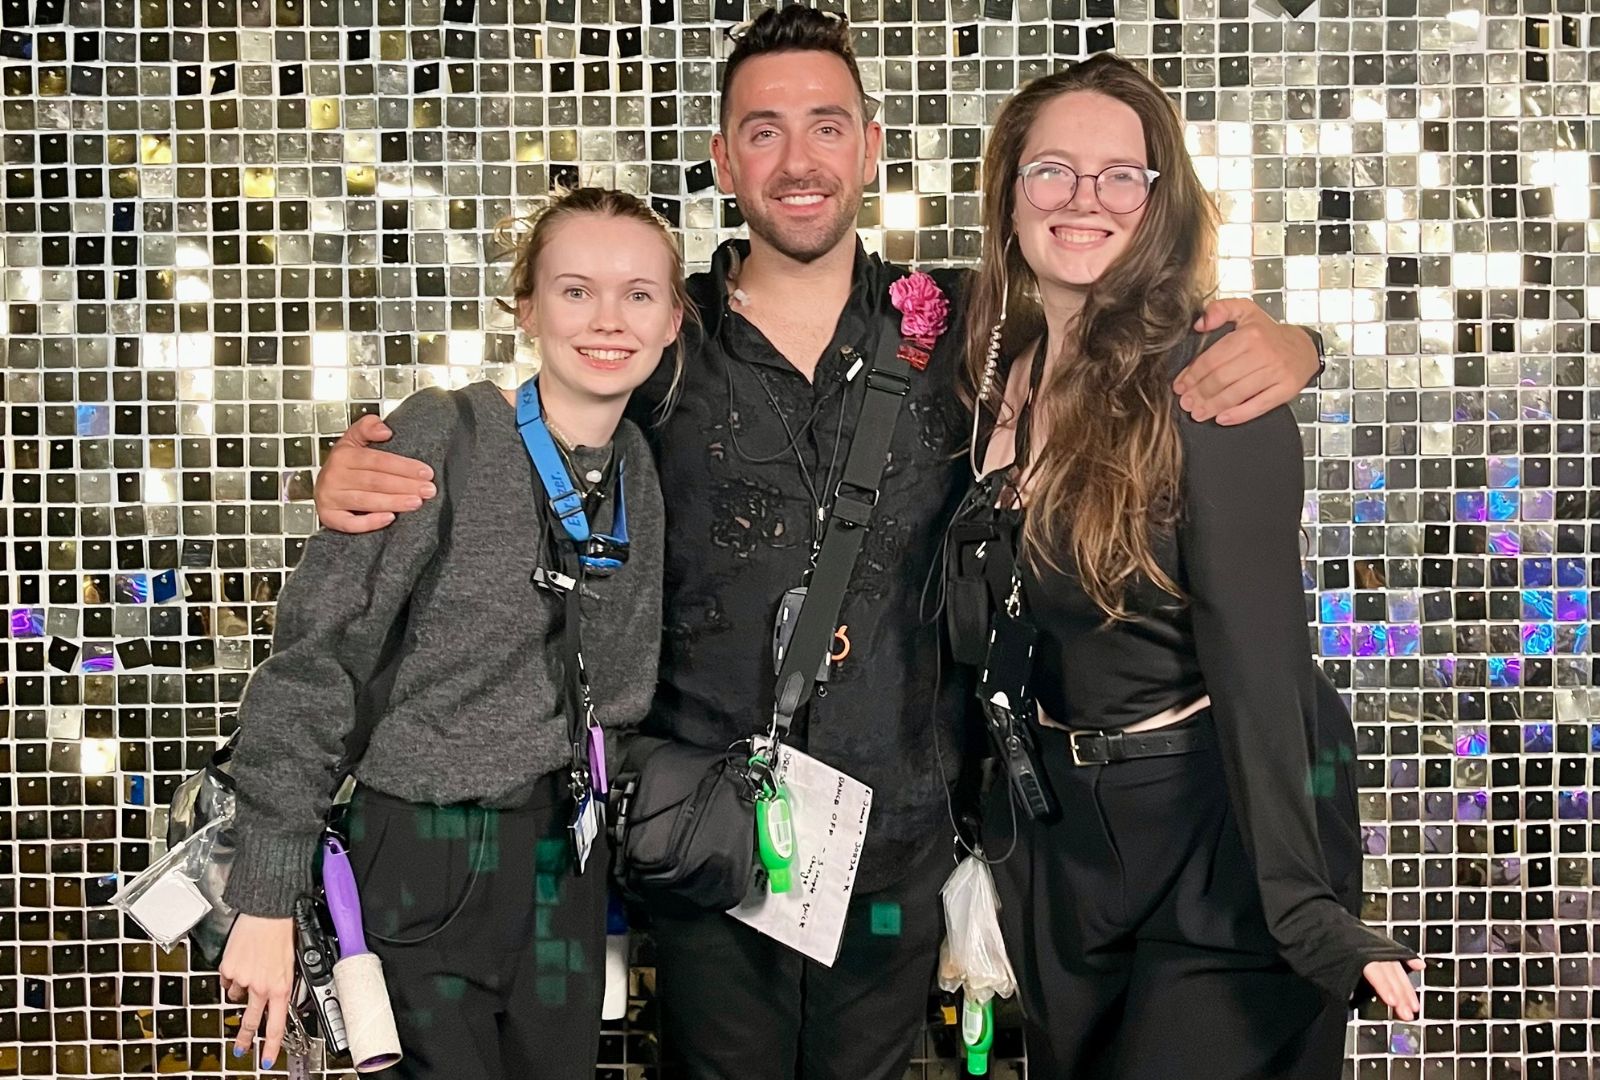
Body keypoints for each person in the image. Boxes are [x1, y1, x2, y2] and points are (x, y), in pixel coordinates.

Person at [309, 10, 1325, 1078]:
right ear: (721, 160)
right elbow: (534, 436)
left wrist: (1302, 343)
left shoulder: (968, 328)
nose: (799, 161)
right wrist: (353, 475)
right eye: (763, 130)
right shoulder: (661, 333)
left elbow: (1118, 337)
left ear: (871, 145)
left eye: (827, 127)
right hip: (703, 838)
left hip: (900, 840)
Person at [948, 54, 1422, 1078]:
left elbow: (1264, 666)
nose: (1084, 200)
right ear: (1009, 192)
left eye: (1121, 175)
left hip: (1217, 838)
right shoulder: (985, 368)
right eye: (1052, 172)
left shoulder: (1211, 381)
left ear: (1160, 202)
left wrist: (1302, 908)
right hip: (1057, 851)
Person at [215, 187, 684, 1080]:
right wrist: (267, 898)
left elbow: (614, 694)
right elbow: (315, 661)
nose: (608, 319)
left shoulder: (637, 473)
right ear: (528, 309)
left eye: (639, 294)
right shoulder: (443, 433)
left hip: (563, 859)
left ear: (671, 322)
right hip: (424, 849)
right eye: (576, 290)